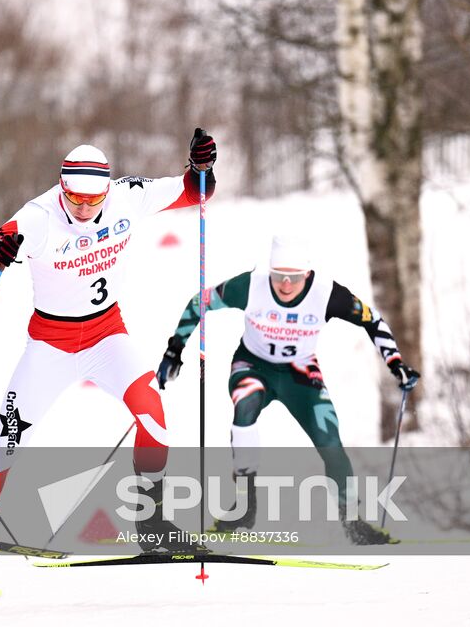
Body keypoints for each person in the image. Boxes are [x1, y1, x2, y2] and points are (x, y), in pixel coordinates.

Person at [0, 130, 218, 595]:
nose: (86, 210)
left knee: (154, 418)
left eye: (94, 201)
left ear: (107, 191)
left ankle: (150, 521)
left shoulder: (128, 197)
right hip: (50, 346)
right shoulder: (38, 216)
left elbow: (198, 192)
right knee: (5, 445)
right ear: (62, 188)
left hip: (107, 336)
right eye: (76, 200)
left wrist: (202, 167)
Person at [155, 233, 421, 545]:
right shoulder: (251, 286)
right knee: (245, 408)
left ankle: (354, 523)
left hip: (300, 374)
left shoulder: (327, 294)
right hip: (253, 366)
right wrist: (174, 350)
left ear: (307, 274)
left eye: (293, 278)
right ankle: (244, 506)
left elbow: (372, 321)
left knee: (329, 441)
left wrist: (396, 363)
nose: (284, 285)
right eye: (278, 276)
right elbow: (199, 302)